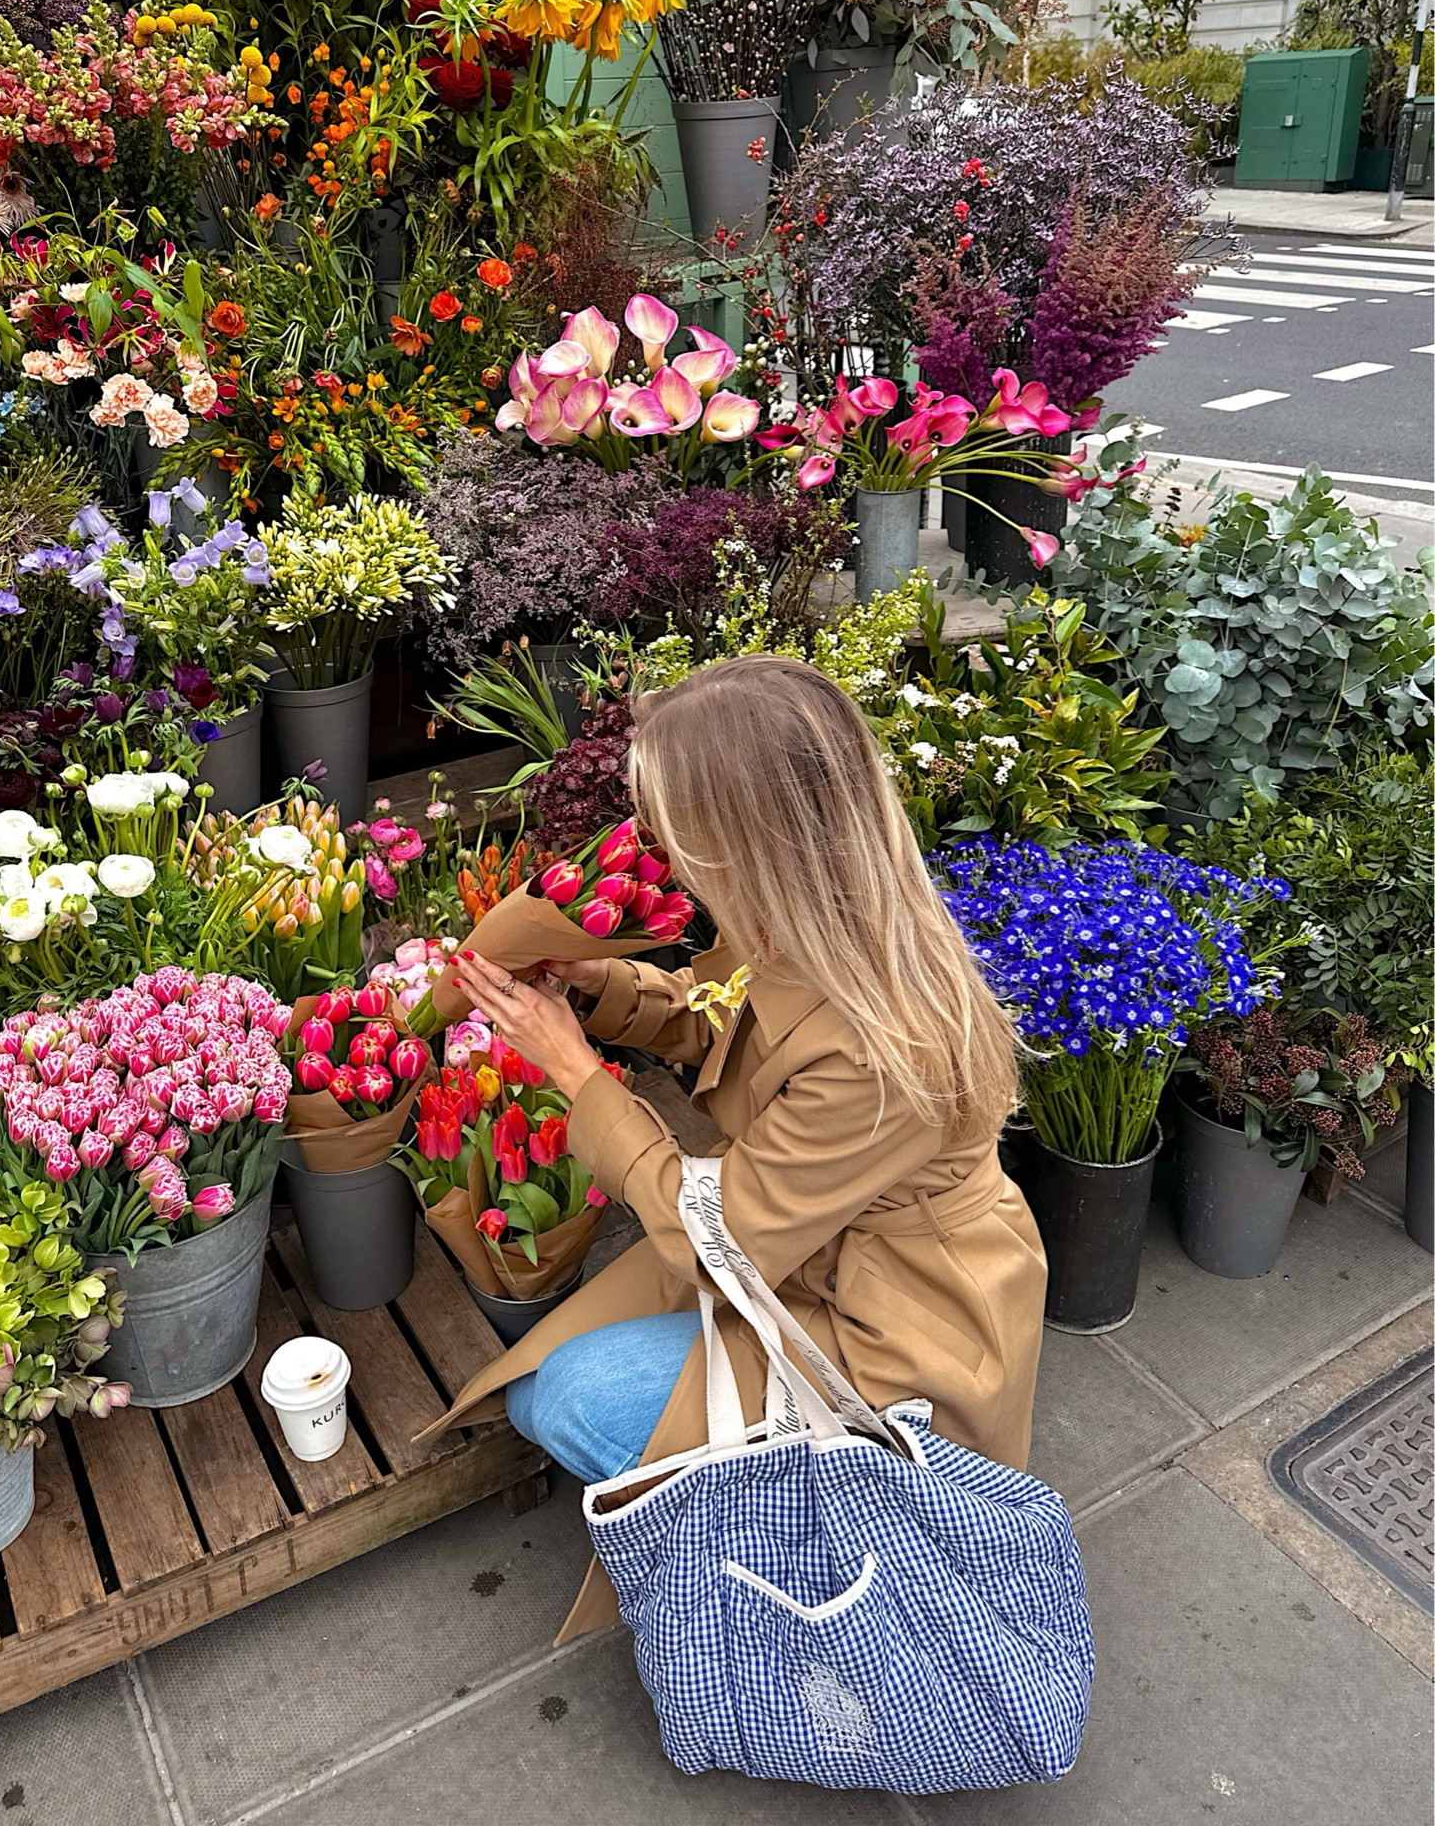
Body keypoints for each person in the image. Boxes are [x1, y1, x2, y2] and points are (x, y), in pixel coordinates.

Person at [419, 654, 1046, 1641]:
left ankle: (813, 1557)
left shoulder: (880, 1042)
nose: (658, 848)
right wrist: (598, 989)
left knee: (565, 1397)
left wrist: (579, 1074)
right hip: (819, 1257)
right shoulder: (823, 923)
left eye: (675, 827)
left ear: (746, 842)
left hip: (891, 1333)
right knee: (546, 1384)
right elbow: (730, 1027)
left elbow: (725, 1239)